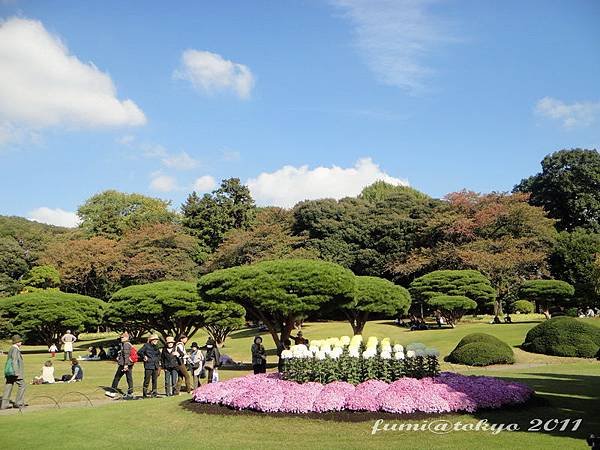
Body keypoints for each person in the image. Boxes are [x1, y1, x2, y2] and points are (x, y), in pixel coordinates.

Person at [106, 332, 134, 399]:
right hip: (128, 364)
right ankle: (130, 393)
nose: (121, 339)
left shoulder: (126, 344)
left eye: (122, 337)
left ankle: (113, 392)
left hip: (124, 365)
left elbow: (126, 355)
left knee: (117, 378)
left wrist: (125, 365)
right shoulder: (127, 344)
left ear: (126, 338)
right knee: (129, 378)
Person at [1, 334, 26, 410]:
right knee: (22, 385)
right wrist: (16, 372)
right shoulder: (15, 349)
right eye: (20, 341)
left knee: (8, 386)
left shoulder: (11, 348)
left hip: (9, 372)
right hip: (15, 372)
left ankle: (4, 404)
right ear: (17, 342)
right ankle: (18, 402)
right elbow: (14, 361)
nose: (21, 342)